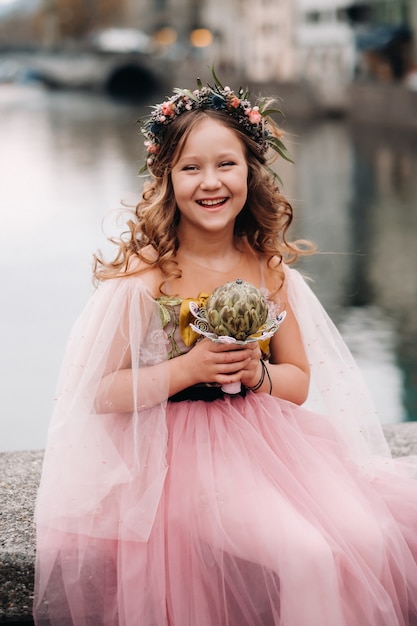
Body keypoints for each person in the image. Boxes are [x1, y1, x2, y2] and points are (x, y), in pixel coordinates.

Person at [33, 71, 417, 626]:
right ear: (166, 178)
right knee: (305, 553)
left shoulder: (268, 267)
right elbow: (96, 392)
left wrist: (257, 375)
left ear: (250, 172)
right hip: (179, 461)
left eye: (225, 164)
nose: (210, 182)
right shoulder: (147, 278)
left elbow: (299, 383)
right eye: (191, 168)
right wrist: (188, 368)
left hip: (271, 444)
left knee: (368, 535)